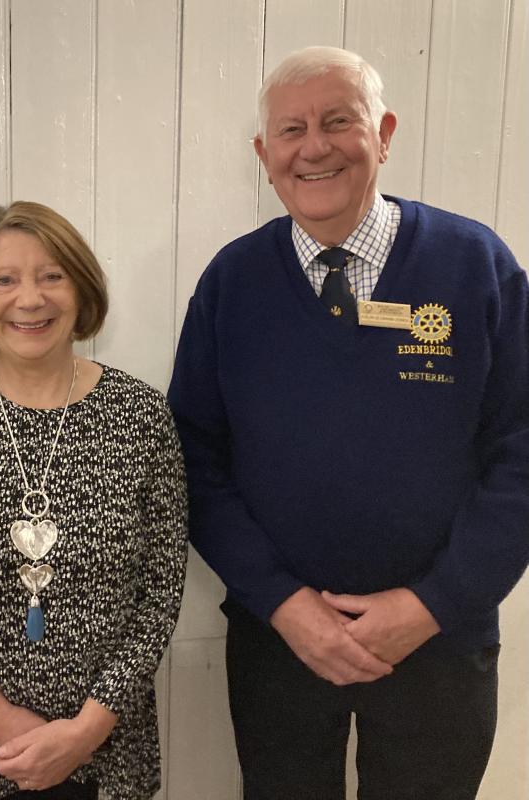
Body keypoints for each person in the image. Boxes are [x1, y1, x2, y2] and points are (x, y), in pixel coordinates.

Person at [168, 45, 529, 799]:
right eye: (291, 130)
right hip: (281, 641)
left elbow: (521, 451)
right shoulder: (232, 283)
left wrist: (433, 604)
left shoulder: (476, 267)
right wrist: (284, 604)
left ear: (384, 133)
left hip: (442, 638)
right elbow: (195, 460)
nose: (315, 147)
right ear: (264, 155)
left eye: (339, 121)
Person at [0, 201, 188, 800]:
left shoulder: (141, 417)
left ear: (81, 289)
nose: (30, 299)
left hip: (106, 747)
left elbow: (161, 589)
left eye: (52, 275)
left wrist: (84, 732)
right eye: (5, 279)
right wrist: (4, 722)